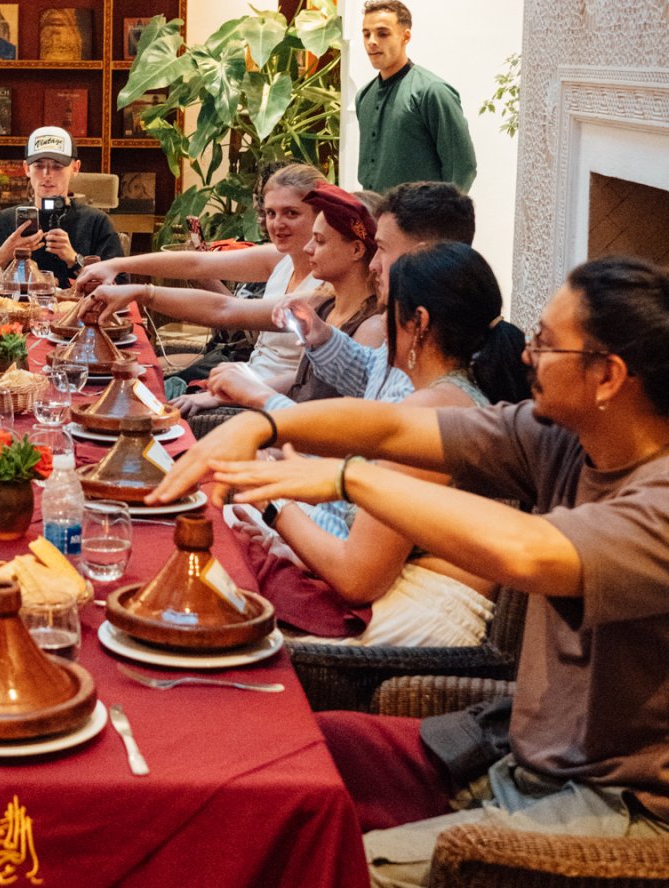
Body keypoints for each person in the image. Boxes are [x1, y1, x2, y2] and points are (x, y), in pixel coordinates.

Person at [154, 255, 669, 886]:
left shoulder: (658, 502)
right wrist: (266, 422)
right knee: (273, 757)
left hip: (612, 805)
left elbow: (531, 551)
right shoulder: (561, 437)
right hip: (511, 751)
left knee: (325, 867)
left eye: (545, 343)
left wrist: (347, 478)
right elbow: (396, 424)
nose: (526, 356)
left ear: (609, 377)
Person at [228, 243, 529, 648]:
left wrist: (272, 501)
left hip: (419, 614)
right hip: (405, 594)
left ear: (418, 323)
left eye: (387, 311)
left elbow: (358, 579)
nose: (379, 323)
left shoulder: (432, 410)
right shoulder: (448, 394)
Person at [83, 164, 327, 393]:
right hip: (244, 380)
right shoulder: (282, 258)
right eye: (271, 213)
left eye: (291, 213)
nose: (276, 224)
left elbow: (225, 309)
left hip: (267, 401)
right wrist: (115, 264)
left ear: (322, 216)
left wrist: (141, 292)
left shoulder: (328, 285)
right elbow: (198, 263)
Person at [275, 180, 477, 408]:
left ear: (421, 254)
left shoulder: (439, 379)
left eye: (382, 248)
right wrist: (322, 337)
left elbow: (359, 434)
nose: (373, 264)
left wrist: (262, 399)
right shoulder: (417, 321)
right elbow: (370, 374)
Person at [197, 182, 383, 417]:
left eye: (320, 240)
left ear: (357, 250)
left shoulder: (372, 327)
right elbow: (302, 379)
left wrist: (252, 392)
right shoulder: (325, 305)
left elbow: (342, 424)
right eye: (270, 213)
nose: (308, 248)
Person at [0, 126, 125, 287]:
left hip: (79, 311)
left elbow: (120, 289)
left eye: (57, 166)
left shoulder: (96, 222)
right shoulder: (5, 220)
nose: (47, 174)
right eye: (38, 166)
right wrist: (5, 253)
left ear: (75, 168)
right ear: (26, 169)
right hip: (17, 310)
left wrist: (74, 260)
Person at [356, 0, 477, 193]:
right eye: (366, 34)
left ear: (405, 37)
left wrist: (442, 217)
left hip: (421, 219)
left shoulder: (433, 91)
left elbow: (461, 166)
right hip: (375, 218)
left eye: (383, 34)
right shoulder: (364, 96)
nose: (372, 41)